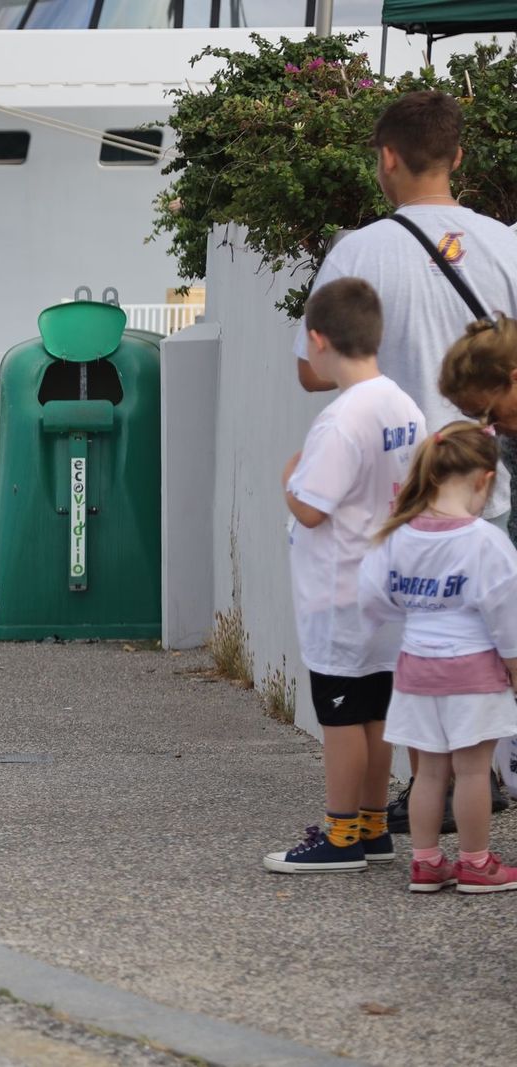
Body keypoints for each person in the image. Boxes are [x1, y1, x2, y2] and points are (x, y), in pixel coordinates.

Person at [295, 89, 517, 828]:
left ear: (386, 157)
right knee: (483, 639)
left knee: (419, 649)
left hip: (395, 493)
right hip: (483, 478)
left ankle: (424, 801)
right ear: (458, 156)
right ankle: (475, 783)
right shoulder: (505, 244)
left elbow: (310, 367)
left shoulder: (358, 250)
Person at [264, 279, 425, 875]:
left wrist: (288, 475)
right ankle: (373, 825)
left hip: (340, 591)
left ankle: (340, 837)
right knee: (377, 712)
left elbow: (311, 506)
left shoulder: (341, 419)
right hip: (390, 588)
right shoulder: (403, 405)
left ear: (318, 340)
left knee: (339, 717)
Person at [359, 417, 517, 893]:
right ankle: (475, 863)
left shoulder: (398, 535)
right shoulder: (485, 541)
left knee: (428, 772)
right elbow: (507, 613)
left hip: (414, 672)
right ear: (484, 480)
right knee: (471, 771)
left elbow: (370, 598)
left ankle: (426, 863)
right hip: (473, 674)